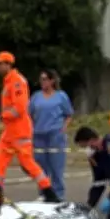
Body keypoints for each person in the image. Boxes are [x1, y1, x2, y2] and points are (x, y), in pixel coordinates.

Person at [0, 51, 61, 203]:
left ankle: (49, 192)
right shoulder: (8, 82)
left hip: (20, 131)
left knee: (27, 163)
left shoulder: (17, 81)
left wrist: (2, 116)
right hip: (9, 131)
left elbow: (20, 108)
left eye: (0, 64)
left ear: (8, 64)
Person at [29, 69, 74, 200]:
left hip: (55, 135)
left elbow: (69, 114)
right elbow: (29, 114)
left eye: (44, 79)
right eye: (41, 79)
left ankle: (59, 194)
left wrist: (63, 128)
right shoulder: (36, 97)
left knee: (56, 167)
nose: (42, 82)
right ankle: (44, 193)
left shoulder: (61, 96)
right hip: (39, 135)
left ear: (52, 81)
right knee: (41, 168)